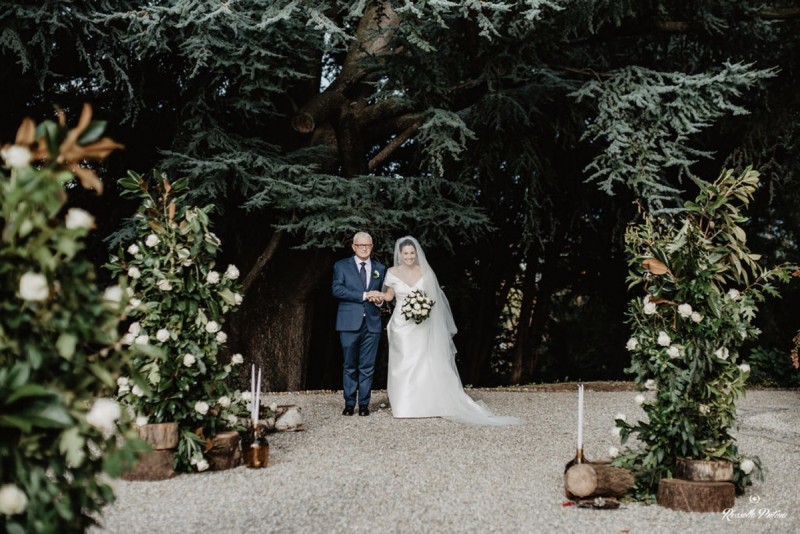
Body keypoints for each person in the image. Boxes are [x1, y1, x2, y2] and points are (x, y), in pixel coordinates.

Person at [380, 236, 521, 425]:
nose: (409, 256)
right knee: (403, 361)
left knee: (423, 361)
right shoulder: (392, 272)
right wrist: (378, 295)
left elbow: (433, 298)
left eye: (412, 253)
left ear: (417, 254)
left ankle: (425, 403)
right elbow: (389, 296)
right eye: (406, 253)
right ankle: (404, 404)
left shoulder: (425, 272)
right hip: (401, 323)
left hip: (422, 322)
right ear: (400, 254)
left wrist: (422, 308)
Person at [332, 231, 386, 416]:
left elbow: (383, 294)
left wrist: (379, 300)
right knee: (349, 364)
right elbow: (337, 289)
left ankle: (363, 404)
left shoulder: (380, 268)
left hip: (372, 323)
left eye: (368, 245)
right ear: (354, 247)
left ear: (372, 247)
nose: (364, 248)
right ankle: (349, 404)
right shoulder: (341, 266)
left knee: (368, 365)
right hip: (348, 323)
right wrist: (364, 295)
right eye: (360, 245)